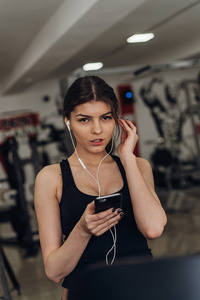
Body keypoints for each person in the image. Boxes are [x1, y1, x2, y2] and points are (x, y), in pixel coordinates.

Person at [34, 76, 167, 299]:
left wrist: (127, 158)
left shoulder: (138, 166)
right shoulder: (51, 178)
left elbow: (153, 229)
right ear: (68, 121)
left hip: (141, 287)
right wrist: (83, 230)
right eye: (84, 120)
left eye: (105, 118)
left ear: (117, 120)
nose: (97, 130)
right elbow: (55, 272)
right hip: (86, 292)